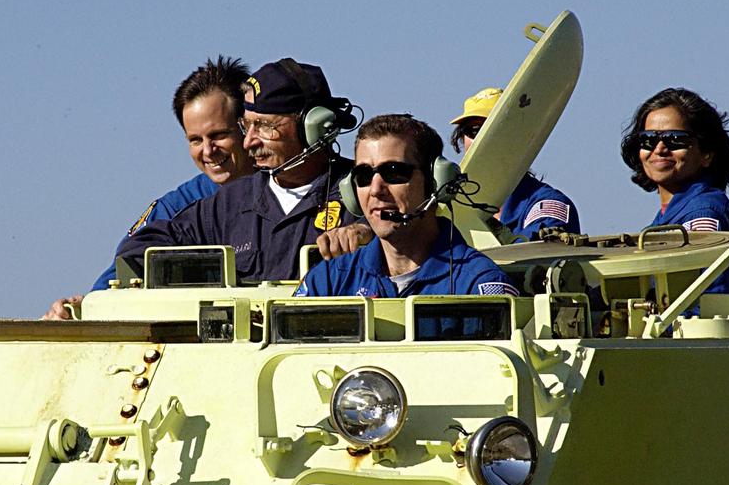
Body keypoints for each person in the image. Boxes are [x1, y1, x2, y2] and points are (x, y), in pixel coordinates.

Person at [115, 58, 362, 282]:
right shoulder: (229, 204)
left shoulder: (369, 190)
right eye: (247, 126)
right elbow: (137, 250)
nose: (249, 142)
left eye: (265, 126)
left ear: (314, 127)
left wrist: (370, 237)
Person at [43, 56, 254, 318]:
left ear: (248, 125)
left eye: (219, 135)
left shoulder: (299, 191)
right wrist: (83, 307)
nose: (208, 151)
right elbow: (120, 275)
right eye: (195, 140)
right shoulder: (177, 208)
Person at [295, 114, 519, 298]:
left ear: (435, 183)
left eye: (394, 172)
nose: (375, 189)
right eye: (363, 175)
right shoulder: (327, 283)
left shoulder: (478, 286)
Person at [620, 87, 729, 294]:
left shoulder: (702, 213)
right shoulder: (667, 216)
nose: (659, 149)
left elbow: (705, 297)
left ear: (706, 153)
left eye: (675, 139)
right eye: (648, 139)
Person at [450, 87, 581, 239]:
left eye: (493, 129)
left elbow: (532, 255)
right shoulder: (445, 208)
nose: (482, 140)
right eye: (474, 130)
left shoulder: (548, 204)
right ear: (462, 139)